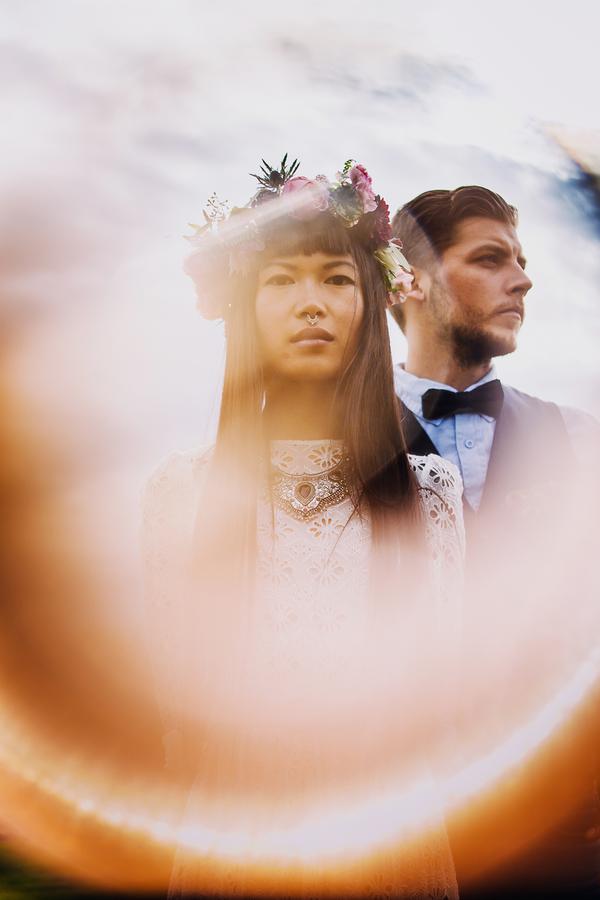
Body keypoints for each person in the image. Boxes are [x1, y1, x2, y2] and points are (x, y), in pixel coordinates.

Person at [142, 159, 466, 899]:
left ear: (371, 298)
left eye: (335, 278)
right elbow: (173, 711)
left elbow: (443, 701)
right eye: (280, 281)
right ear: (242, 307)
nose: (309, 303)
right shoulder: (180, 496)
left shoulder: (431, 495)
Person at [390, 186, 600, 898]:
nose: (524, 278)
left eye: (521, 260)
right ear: (408, 280)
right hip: (391, 828)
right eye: (491, 259)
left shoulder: (581, 441)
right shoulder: (330, 447)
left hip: (558, 835)